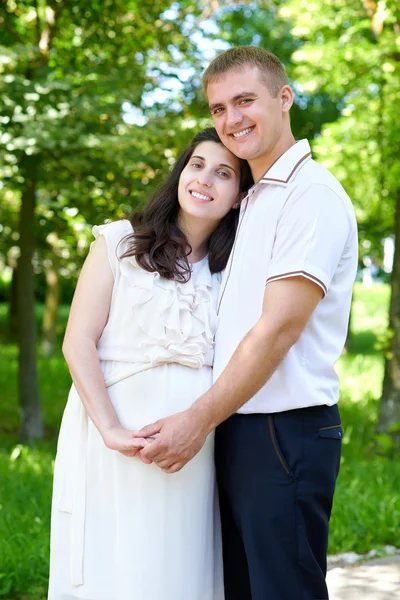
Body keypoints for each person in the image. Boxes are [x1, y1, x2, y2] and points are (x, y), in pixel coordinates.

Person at [135, 47, 358, 600]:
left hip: (283, 432)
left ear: (284, 99)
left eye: (244, 101)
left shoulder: (312, 197)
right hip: (241, 427)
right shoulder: (254, 199)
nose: (231, 120)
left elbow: (276, 332)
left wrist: (195, 420)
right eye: (217, 109)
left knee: (283, 591)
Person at [48, 127, 253, 600]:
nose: (205, 179)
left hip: (192, 450)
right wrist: (111, 430)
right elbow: (78, 341)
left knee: (175, 571)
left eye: (224, 174)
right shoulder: (120, 243)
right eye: (197, 165)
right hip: (111, 441)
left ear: (239, 197)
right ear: (181, 172)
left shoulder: (235, 270)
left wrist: (198, 425)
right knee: (114, 569)